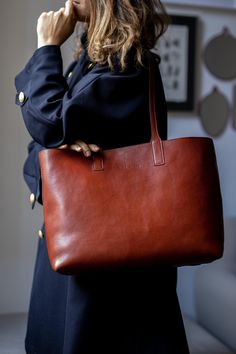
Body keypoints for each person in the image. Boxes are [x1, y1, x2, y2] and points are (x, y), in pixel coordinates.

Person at [14, 0, 190, 353]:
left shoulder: (128, 67)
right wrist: (56, 149)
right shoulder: (88, 65)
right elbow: (38, 154)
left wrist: (47, 47)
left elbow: (48, 123)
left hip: (105, 276)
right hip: (80, 253)